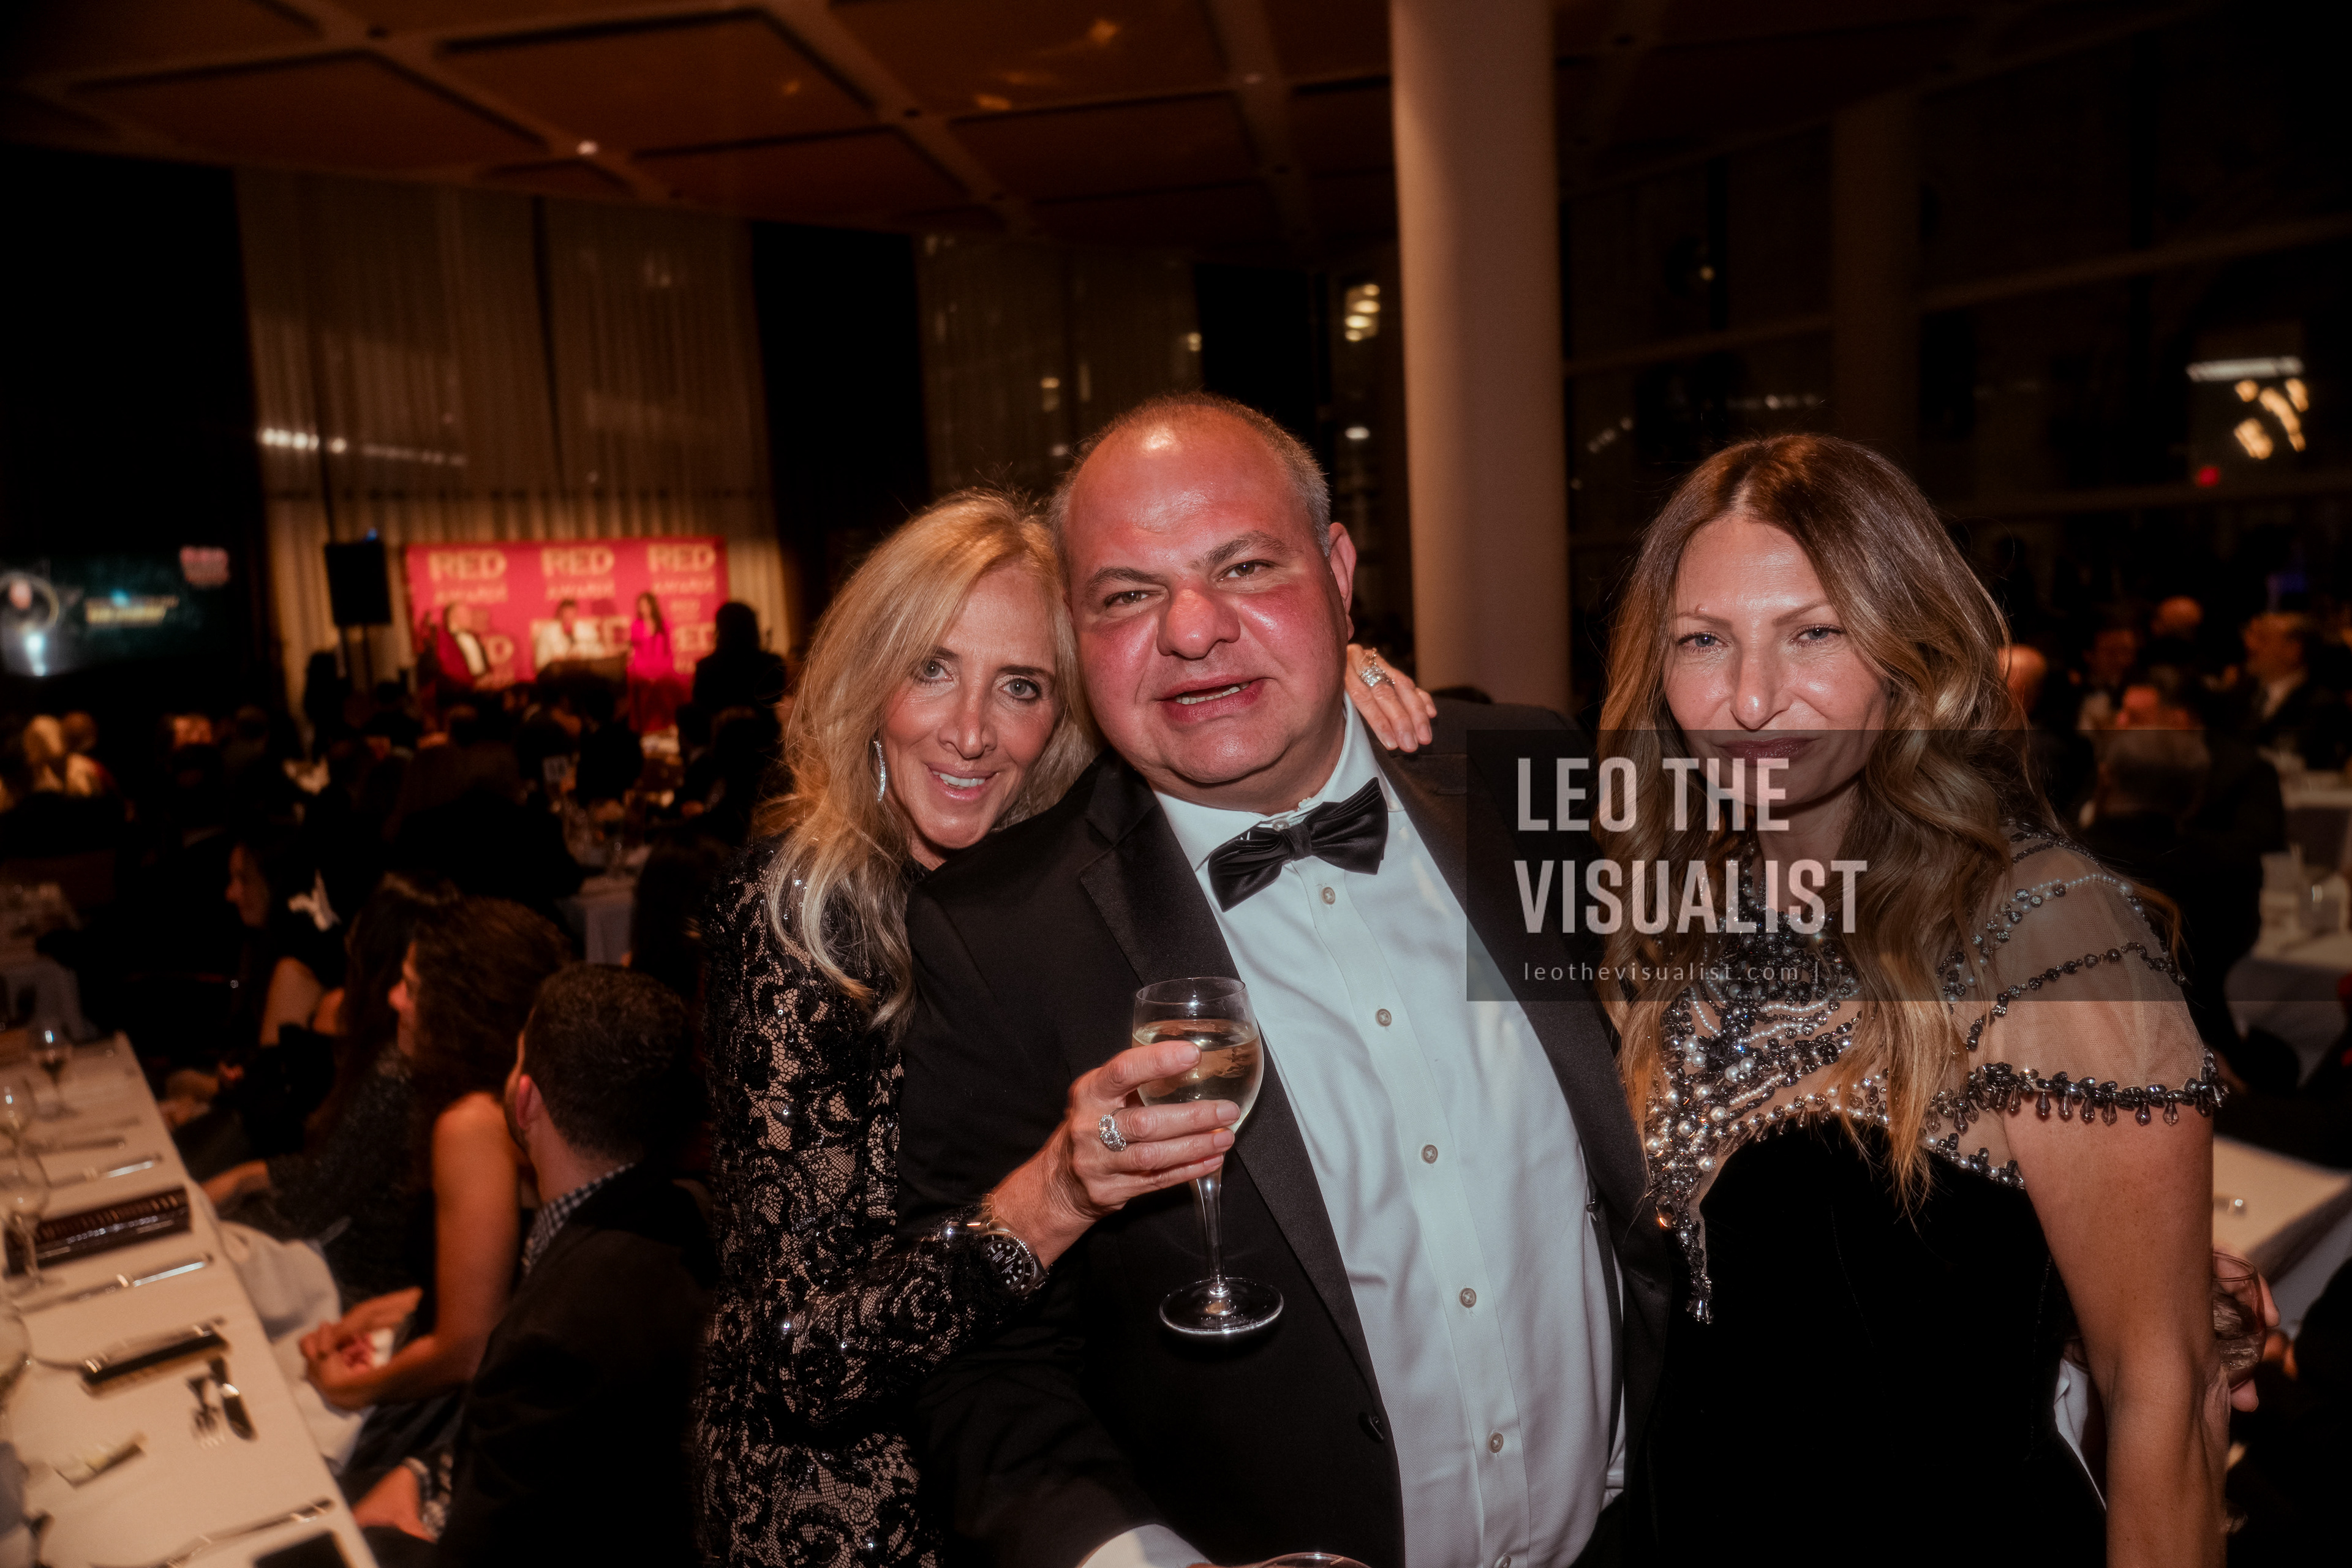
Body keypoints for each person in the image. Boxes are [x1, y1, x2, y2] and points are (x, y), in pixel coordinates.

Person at [894, 393, 1666, 1567]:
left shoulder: (1527, 776)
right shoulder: (996, 936)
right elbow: (984, 1367)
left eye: (1245, 568)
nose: (1193, 631)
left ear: (1338, 574)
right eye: (1127, 596)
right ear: (1078, 634)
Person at [693, 481, 1439, 1567]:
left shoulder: (1069, 886)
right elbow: (802, 1360)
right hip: (866, 1518)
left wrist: (1329, 682)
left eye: (1022, 686)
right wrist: (1055, 1195)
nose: (971, 731)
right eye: (931, 668)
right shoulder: (802, 918)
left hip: (1066, 1480)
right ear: (869, 679)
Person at [1592, 434, 2232, 1562]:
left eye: (1816, 632)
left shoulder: (2044, 928)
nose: (1751, 699)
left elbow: (2164, 1394)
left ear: (1907, 649)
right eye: (1703, 640)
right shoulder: (1673, 911)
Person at [352, 963, 715, 1566]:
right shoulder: (690, 1210)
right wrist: (417, 1473)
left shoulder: (557, 1339)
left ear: (525, 1101)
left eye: (518, 1056)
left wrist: (379, 1537)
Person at [300, 897, 573, 1481]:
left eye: (413, 987)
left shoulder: (470, 1125)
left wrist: (348, 1389)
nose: (395, 999)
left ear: (462, 1010)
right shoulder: (521, 1103)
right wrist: (385, 1311)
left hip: (463, 1421)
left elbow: (467, 1349)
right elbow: (503, 1287)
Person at [206, 873, 459, 1303]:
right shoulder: (410, 1055)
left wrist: (239, 1189)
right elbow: (330, 1170)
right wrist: (247, 1178)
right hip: (351, 1266)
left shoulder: (397, 1073)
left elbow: (314, 1204)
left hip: (349, 1283)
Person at [2227, 612, 2351, 769]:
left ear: (2293, 650)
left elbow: (2302, 763)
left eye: (2263, 639)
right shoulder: (2243, 693)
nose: (2250, 644)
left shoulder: (2322, 706)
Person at [691, 601, 786, 716]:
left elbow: (702, 705)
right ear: (753, 626)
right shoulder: (772, 662)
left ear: (720, 628)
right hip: (764, 726)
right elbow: (775, 699)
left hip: (721, 727)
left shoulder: (706, 667)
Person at [627, 590, 681, 733]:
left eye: (646, 605)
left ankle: (669, 726)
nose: (643, 609)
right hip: (643, 669)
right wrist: (644, 673)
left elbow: (669, 651)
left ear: (652, 606)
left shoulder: (664, 624)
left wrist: (664, 671)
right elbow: (635, 653)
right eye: (640, 606)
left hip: (662, 668)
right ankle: (645, 728)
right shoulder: (636, 625)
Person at [531, 598, 608, 673]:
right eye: (566, 614)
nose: (568, 617)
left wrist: (582, 656)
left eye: (571, 614)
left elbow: (599, 654)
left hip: (583, 674)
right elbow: (540, 663)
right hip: (558, 675)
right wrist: (554, 661)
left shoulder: (588, 631)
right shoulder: (547, 633)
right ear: (560, 614)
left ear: (576, 614)